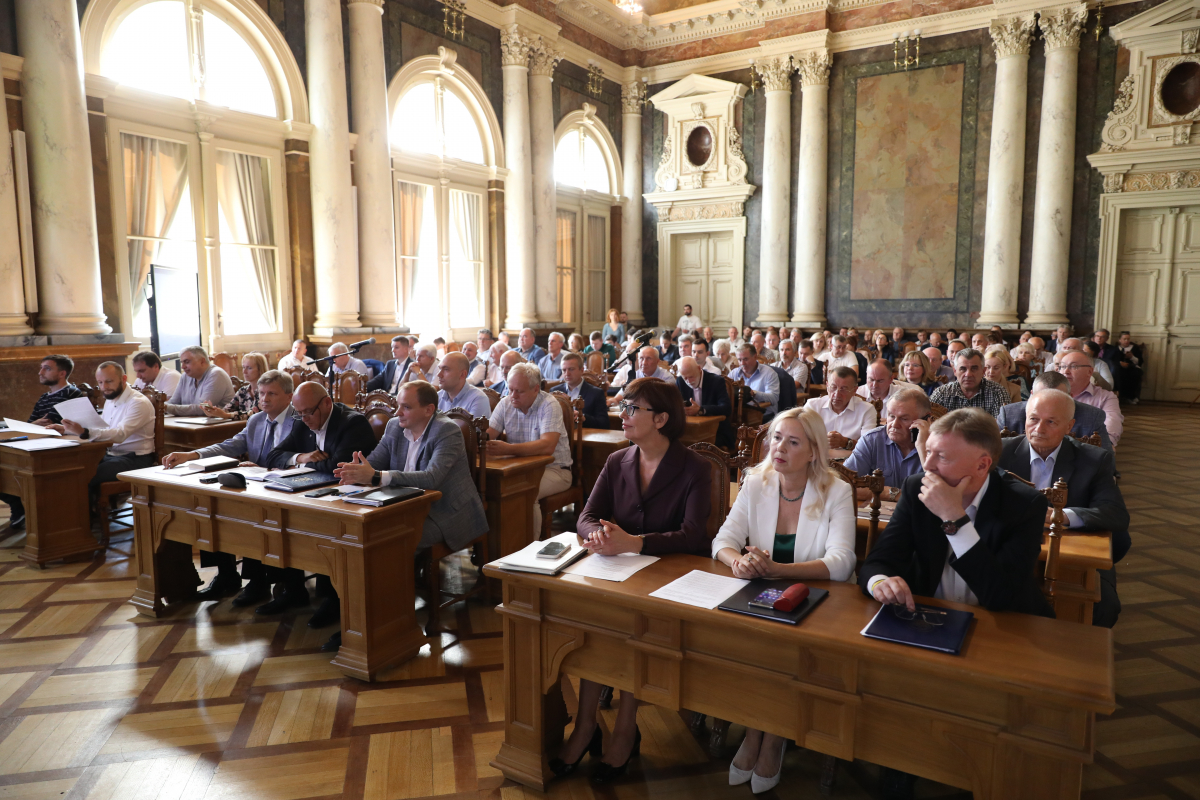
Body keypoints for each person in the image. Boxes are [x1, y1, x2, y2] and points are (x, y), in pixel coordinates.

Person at [554, 378, 711, 785]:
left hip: (667, 578)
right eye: (623, 406)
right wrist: (598, 535)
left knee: (629, 631)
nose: (622, 414)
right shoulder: (617, 460)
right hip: (614, 569)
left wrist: (635, 543)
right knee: (593, 627)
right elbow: (586, 515)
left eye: (632, 409)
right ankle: (586, 725)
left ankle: (625, 729)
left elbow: (695, 534)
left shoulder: (694, 467)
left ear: (660, 419)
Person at [713, 408, 855, 793]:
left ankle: (771, 736)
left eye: (793, 442)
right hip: (761, 594)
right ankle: (756, 729)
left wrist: (776, 570)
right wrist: (738, 561)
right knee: (740, 641)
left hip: (821, 602)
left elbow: (841, 565)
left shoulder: (836, 490)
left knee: (782, 649)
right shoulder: (756, 481)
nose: (779, 448)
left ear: (813, 451)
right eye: (776, 437)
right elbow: (722, 541)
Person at [861, 408, 1053, 617]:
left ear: (982, 465)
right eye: (928, 452)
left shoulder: (1025, 505)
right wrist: (880, 583)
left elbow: (1001, 596)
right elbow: (878, 562)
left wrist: (953, 517)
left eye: (942, 457)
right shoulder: (917, 488)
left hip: (1001, 624)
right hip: (928, 614)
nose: (927, 465)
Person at [161, 370, 300, 606]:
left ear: (289, 396)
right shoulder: (257, 420)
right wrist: (191, 454)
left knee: (251, 520)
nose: (264, 399)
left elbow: (301, 458)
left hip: (284, 489)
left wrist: (268, 469)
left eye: (272, 394)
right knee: (212, 509)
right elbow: (230, 445)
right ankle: (226, 576)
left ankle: (259, 583)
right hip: (255, 485)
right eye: (261, 394)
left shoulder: (299, 421)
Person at [997, 390, 1129, 627]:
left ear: (1069, 426)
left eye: (1051, 422)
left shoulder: (1094, 459)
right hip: (1011, 548)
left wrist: (1061, 516)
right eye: (1033, 419)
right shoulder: (1000, 452)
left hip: (1075, 554)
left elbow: (1115, 512)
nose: (1039, 428)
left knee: (1105, 607)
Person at [265, 382, 378, 651]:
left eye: (308, 413)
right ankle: (294, 590)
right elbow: (274, 455)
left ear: (327, 403)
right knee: (281, 521)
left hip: (353, 498)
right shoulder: (303, 420)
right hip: (311, 492)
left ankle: (333, 599)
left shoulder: (353, 423)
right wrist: (302, 457)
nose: (304, 419)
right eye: (299, 413)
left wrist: (309, 462)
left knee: (327, 531)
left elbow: (339, 467)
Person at [335, 381, 489, 553]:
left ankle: (403, 579)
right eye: (398, 405)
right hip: (403, 505)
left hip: (445, 511)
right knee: (357, 532)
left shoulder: (447, 430)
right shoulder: (394, 425)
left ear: (428, 410)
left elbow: (432, 478)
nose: (397, 412)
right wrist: (358, 470)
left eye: (406, 407)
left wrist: (377, 476)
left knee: (391, 539)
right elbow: (374, 464)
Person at [47, 362, 157, 507]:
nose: (104, 387)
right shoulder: (111, 399)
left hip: (135, 459)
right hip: (111, 455)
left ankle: (85, 522)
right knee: (72, 469)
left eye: (109, 381)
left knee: (83, 476)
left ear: (123, 379)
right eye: (100, 382)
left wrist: (84, 432)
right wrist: (65, 429)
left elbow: (120, 435)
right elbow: (102, 429)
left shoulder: (138, 402)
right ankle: (78, 519)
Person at [487, 363, 572, 536]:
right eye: (510, 389)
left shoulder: (549, 404)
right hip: (519, 469)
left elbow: (547, 446)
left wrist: (508, 449)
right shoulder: (506, 403)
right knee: (496, 490)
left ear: (535, 389)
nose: (513, 396)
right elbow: (486, 434)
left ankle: (529, 549)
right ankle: (505, 545)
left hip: (556, 470)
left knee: (525, 493)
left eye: (519, 391)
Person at [845, 387, 930, 500]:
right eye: (891, 416)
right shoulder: (872, 440)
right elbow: (844, 484)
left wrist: (922, 447)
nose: (894, 425)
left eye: (904, 419)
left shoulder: (941, 445)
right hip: (877, 514)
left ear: (925, 419)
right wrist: (891, 493)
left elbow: (941, 493)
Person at [996, 371, 1113, 451]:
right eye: (1042, 396)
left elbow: (1106, 461)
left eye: (1057, 397)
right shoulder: (1009, 414)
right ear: (1031, 395)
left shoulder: (1093, 416)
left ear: (1070, 396)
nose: (1049, 404)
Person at [803, 366, 878, 450]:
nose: (837, 394)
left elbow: (869, 447)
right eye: (833, 387)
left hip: (849, 461)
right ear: (827, 385)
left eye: (844, 389)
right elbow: (799, 437)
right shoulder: (813, 406)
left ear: (854, 390)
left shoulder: (866, 410)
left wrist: (845, 442)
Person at [1058, 350, 1123, 447]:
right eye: (1063, 366)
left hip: (1087, 450)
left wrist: (1105, 444)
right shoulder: (1049, 393)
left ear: (1090, 372)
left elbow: (1112, 421)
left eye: (1073, 366)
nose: (1066, 371)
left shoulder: (1105, 397)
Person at [930, 349, 1009, 418]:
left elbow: (1002, 427)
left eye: (974, 369)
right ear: (954, 371)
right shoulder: (942, 393)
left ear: (983, 371)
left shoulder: (998, 392)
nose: (968, 374)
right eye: (963, 369)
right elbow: (930, 425)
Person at [676, 356, 734, 448]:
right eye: (685, 378)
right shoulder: (680, 381)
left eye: (691, 377)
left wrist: (700, 409)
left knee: (698, 446)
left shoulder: (716, 381)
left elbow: (726, 408)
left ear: (699, 368)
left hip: (715, 430)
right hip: (690, 429)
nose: (689, 381)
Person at [165, 346, 235, 417]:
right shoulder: (185, 376)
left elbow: (202, 409)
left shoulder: (216, 374)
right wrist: (161, 407)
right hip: (192, 424)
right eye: (182, 362)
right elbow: (173, 402)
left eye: (187, 362)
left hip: (219, 426)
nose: (182, 367)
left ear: (202, 361)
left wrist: (164, 407)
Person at [202, 352, 266, 421]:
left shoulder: (265, 392)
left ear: (260, 369)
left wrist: (225, 415)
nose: (244, 371)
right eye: (243, 367)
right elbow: (228, 409)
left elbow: (254, 415)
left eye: (249, 368)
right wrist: (214, 412)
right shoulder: (243, 391)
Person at [550, 353, 608, 429]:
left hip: (585, 435)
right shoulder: (555, 391)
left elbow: (604, 423)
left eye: (571, 369)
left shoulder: (596, 393)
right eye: (564, 370)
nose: (567, 374)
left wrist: (583, 417)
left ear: (581, 370)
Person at [27, 354, 87, 425]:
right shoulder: (44, 397)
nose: (40, 372)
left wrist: (34, 424)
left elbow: (49, 422)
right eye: (41, 368)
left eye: (47, 368)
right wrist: (35, 423)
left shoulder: (70, 392)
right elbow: (29, 424)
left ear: (62, 374)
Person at [729, 344, 781, 418]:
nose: (742, 363)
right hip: (740, 415)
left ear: (755, 357)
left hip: (764, 415)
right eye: (739, 360)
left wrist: (753, 393)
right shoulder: (734, 373)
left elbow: (774, 398)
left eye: (745, 359)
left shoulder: (769, 373)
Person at [436, 352, 492, 418]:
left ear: (462, 374)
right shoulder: (437, 397)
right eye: (440, 368)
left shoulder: (478, 398)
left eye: (446, 369)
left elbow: (471, 428)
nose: (439, 374)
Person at [1115, 331, 1143, 404]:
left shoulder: (1135, 348)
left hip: (1132, 368)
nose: (1126, 341)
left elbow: (1140, 362)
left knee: (1134, 374)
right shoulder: (1115, 348)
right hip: (1120, 368)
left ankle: (1132, 396)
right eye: (1124, 339)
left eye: (1128, 339)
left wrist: (1132, 357)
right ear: (1120, 340)